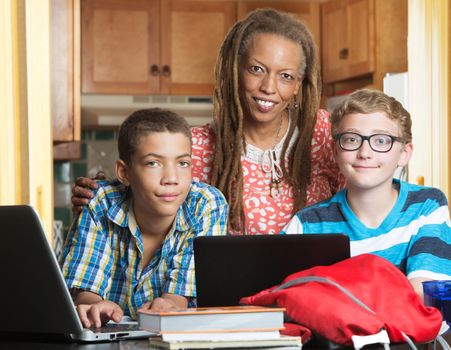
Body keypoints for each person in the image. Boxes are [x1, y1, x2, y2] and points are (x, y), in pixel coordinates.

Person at [71, 9, 345, 235]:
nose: (268, 87)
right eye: (256, 69)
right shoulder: (196, 147)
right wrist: (104, 199)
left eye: (285, 76)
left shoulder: (324, 131)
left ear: (298, 84)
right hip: (232, 298)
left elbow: (362, 199)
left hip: (312, 291)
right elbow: (149, 214)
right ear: (235, 70)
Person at [61, 108, 228, 328]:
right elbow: (86, 291)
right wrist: (95, 307)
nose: (171, 179)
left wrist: (168, 306)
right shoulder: (99, 201)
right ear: (124, 173)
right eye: (153, 163)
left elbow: (178, 298)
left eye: (183, 163)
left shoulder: (206, 204)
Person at [282, 89, 451, 299]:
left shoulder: (427, 205)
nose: (364, 153)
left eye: (381, 141)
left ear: (404, 154)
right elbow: (279, 296)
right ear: (335, 151)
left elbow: (423, 296)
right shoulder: (306, 224)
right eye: (352, 140)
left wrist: (333, 295)